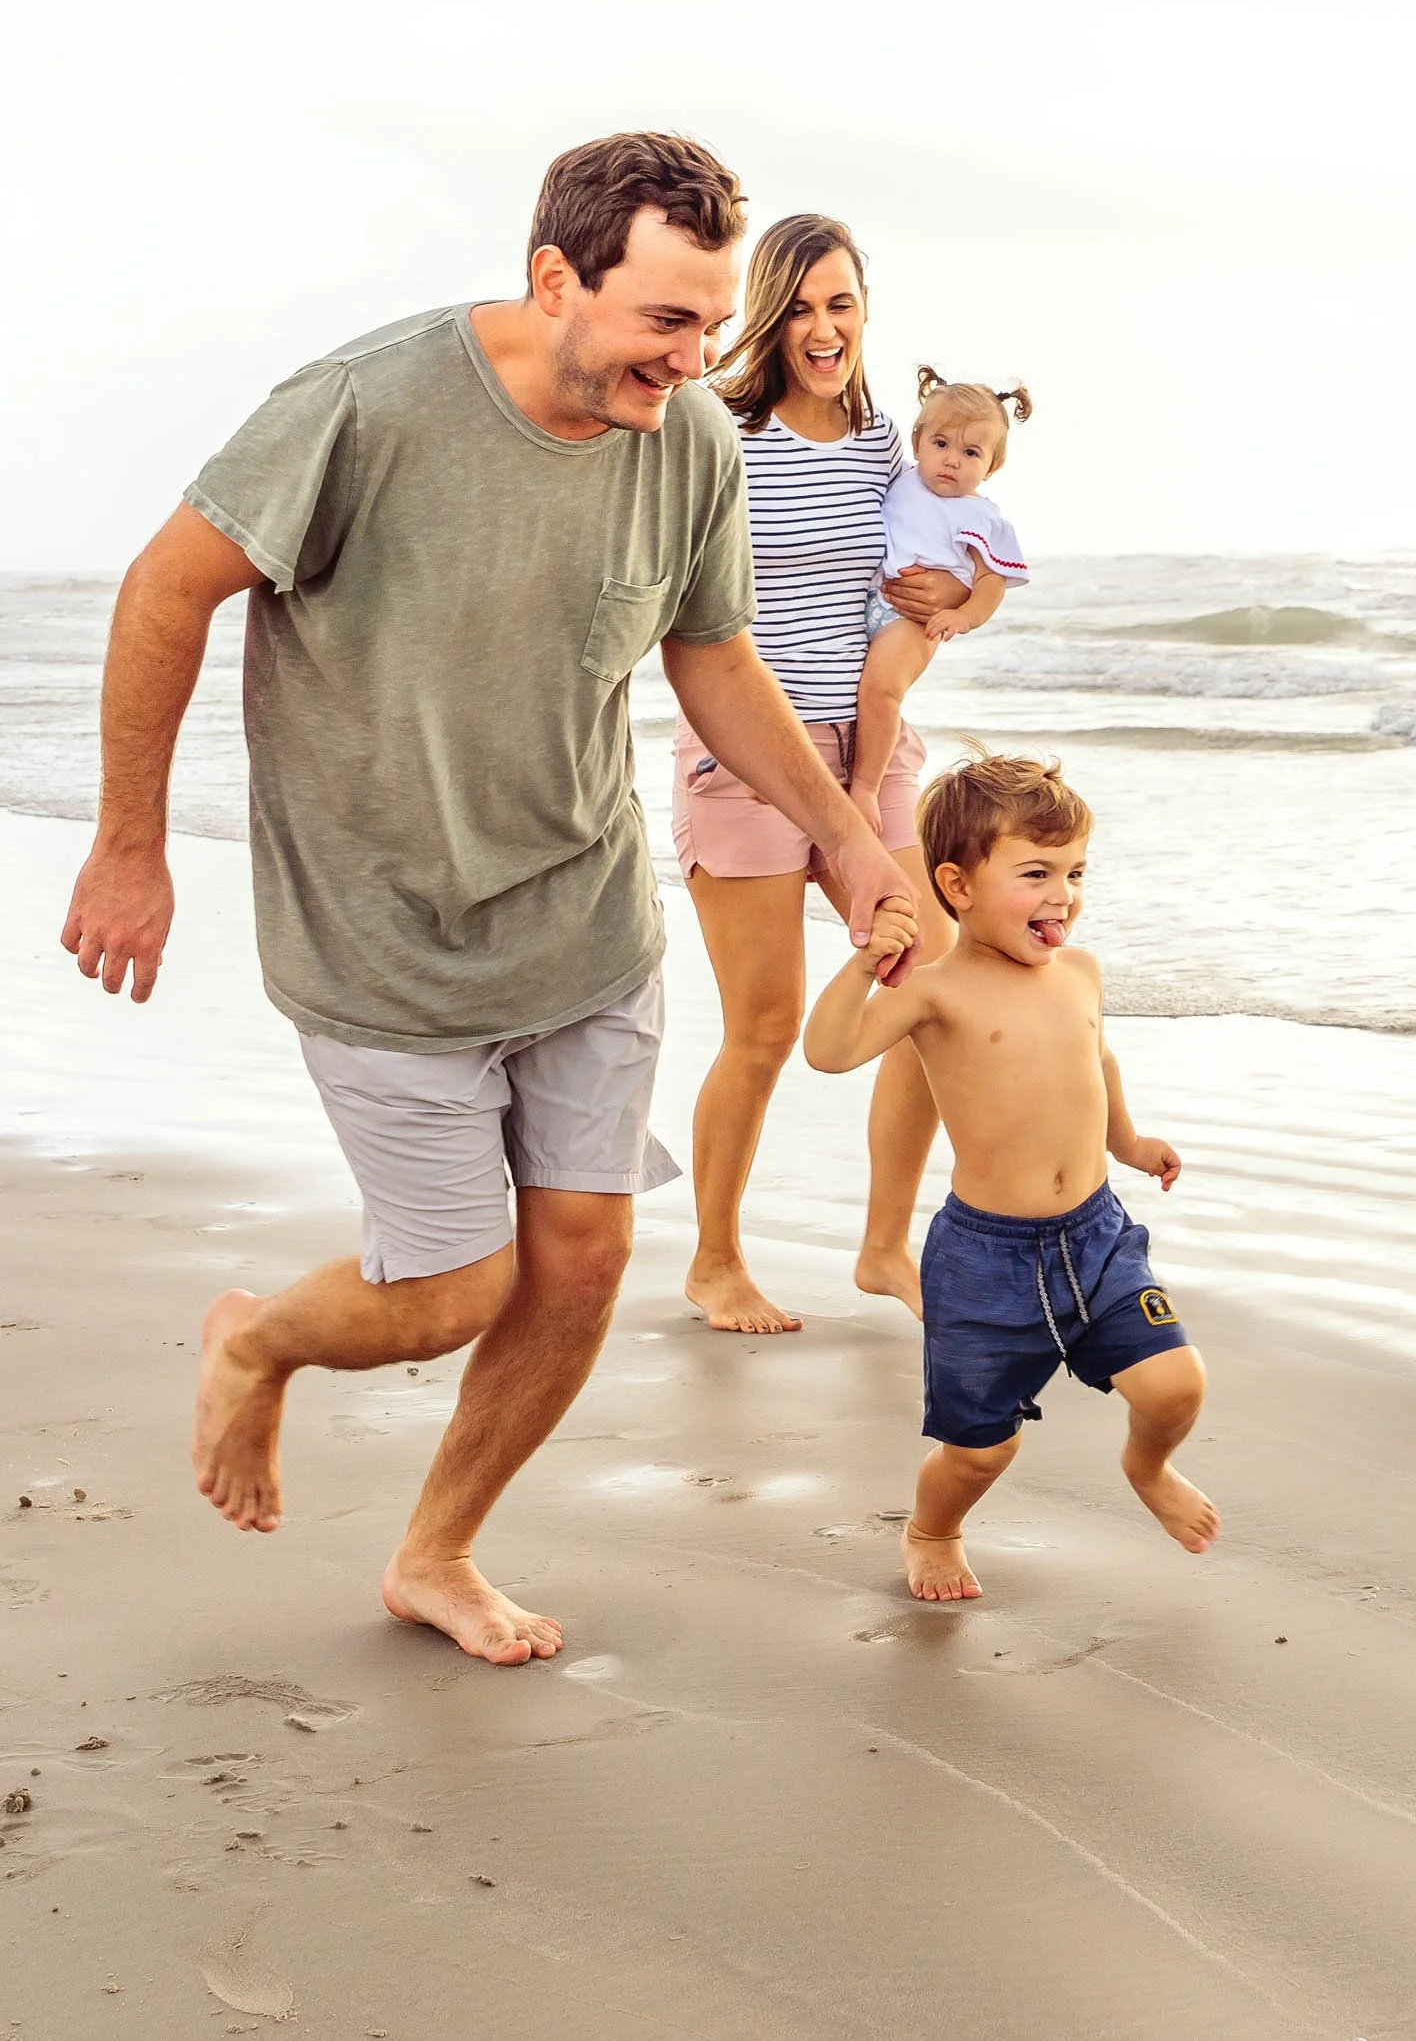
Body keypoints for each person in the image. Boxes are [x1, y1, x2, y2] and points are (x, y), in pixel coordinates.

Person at [60, 132, 920, 1667]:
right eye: (664, 321)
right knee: (453, 1288)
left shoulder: (689, 445)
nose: (693, 359)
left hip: (582, 919)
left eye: (712, 326)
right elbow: (166, 589)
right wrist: (129, 845)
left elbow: (711, 658)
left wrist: (845, 837)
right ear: (552, 278)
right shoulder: (364, 407)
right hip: (379, 931)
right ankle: (256, 1339)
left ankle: (437, 1552)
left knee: (581, 1260)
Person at [802, 752, 1218, 1602]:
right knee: (980, 1448)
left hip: (1096, 1234)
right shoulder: (934, 993)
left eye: (1073, 872)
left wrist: (1129, 1142)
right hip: (986, 1261)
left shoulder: (1080, 973)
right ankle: (933, 1530)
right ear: (955, 885)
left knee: (1175, 1384)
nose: (1061, 894)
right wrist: (861, 964)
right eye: (1034, 874)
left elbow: (1094, 1059)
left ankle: (1147, 1469)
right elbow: (830, 1051)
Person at [672, 216, 967, 1335]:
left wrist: (954, 608)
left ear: (862, 312)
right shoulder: (717, 433)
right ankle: (714, 1261)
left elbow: (937, 571)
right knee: (764, 1025)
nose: (820, 328)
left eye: (837, 303)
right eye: (797, 306)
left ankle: (885, 1245)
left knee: (927, 989)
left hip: (869, 752)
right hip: (746, 753)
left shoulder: (889, 441)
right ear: (765, 314)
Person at [848, 368, 1033, 835]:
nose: (952, 461)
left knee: (880, 692)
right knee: (856, 693)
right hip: (873, 598)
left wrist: (961, 615)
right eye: (941, 444)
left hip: (913, 621)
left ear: (992, 466)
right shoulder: (901, 481)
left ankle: (866, 787)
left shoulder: (977, 515)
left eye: (971, 453)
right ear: (917, 443)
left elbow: (990, 581)